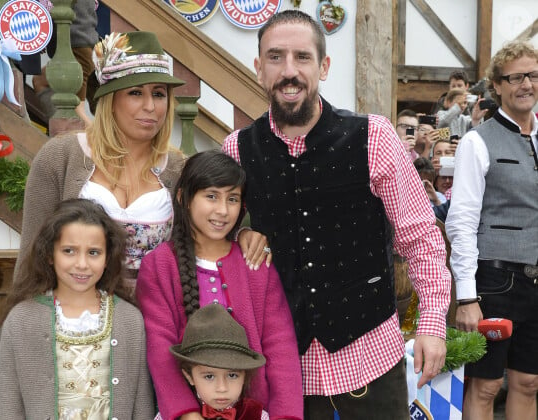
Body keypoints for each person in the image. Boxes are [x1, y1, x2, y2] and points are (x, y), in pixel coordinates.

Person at [222, 10, 451, 419]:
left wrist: (432, 323)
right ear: (258, 69)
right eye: (275, 57)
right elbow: (218, 232)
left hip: (370, 356)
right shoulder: (237, 149)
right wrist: (241, 233)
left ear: (324, 66)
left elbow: (421, 237)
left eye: (302, 57)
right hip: (286, 367)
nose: (289, 71)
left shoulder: (374, 137)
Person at [15, 31, 270, 293]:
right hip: (75, 322)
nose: (150, 106)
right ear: (110, 100)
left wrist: (243, 235)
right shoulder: (60, 157)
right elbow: (31, 258)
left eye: (159, 94)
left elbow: (212, 233)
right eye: (136, 92)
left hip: (158, 321)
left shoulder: (178, 169)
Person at [136, 150, 302, 420]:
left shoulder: (255, 262)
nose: (223, 210)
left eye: (233, 199)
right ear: (184, 198)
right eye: (211, 196)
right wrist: (187, 414)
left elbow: (280, 346)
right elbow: (160, 349)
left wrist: (287, 416)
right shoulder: (160, 265)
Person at [0, 198, 153, 419]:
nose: (82, 264)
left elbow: (142, 405)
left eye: (93, 252)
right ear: (49, 254)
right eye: (69, 251)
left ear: (108, 258)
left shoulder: (129, 320)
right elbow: (8, 407)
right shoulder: (21, 320)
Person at [445, 40, 538, 420]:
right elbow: (461, 221)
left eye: (532, 75)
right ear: (496, 85)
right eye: (515, 77)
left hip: (536, 281)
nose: (526, 84)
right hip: (495, 280)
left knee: (529, 382)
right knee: (484, 386)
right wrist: (467, 297)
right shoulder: (476, 142)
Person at [157, 304, 270, 420]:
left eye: (232, 375)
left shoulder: (257, 415)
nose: (222, 388)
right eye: (209, 376)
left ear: (244, 375)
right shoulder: (171, 416)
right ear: (189, 376)